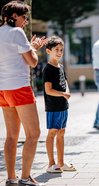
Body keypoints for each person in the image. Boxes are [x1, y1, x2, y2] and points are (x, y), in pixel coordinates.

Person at [0, 1, 47, 185]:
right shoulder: (17, 33)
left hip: (3, 89)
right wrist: (34, 47)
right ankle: (25, 177)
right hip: (19, 87)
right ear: (14, 16)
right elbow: (33, 62)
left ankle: (11, 178)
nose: (25, 21)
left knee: (11, 135)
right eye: (24, 17)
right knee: (33, 133)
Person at [43, 36, 76, 173]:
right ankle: (51, 164)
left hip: (63, 106)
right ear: (48, 51)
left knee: (61, 133)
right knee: (53, 133)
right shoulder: (48, 69)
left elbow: (65, 83)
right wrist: (63, 94)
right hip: (53, 107)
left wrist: (67, 92)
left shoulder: (61, 67)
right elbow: (48, 90)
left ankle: (61, 163)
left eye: (61, 50)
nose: (59, 52)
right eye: (56, 49)